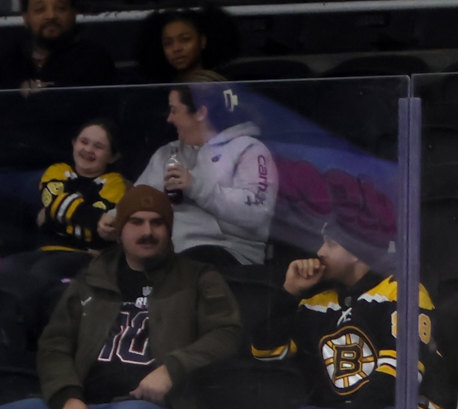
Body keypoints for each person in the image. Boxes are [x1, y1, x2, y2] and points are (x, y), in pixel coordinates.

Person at [0, 185, 243, 409]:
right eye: (136, 222)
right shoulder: (92, 278)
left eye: (157, 223)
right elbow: (55, 344)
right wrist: (66, 397)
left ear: (169, 230)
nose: (147, 232)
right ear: (120, 231)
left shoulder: (199, 277)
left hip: (145, 407)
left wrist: (173, 369)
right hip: (80, 404)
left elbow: (227, 333)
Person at [249, 215, 451, 409]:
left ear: (357, 251)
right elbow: (265, 352)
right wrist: (289, 292)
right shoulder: (318, 301)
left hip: (409, 408)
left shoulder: (402, 291)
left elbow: (398, 373)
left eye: (330, 244)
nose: (320, 252)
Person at [0, 116, 125, 330]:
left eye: (98, 146)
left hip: (85, 255)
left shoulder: (116, 184)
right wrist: (90, 218)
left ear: (112, 156)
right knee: (7, 268)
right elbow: (55, 201)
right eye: (83, 142)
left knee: (41, 275)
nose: (88, 150)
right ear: (74, 143)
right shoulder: (57, 170)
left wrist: (55, 215)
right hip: (45, 248)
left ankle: (33, 345)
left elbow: (95, 233)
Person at [136, 81, 274, 267]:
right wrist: (113, 219)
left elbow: (258, 210)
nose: (169, 118)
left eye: (174, 110)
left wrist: (196, 187)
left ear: (201, 112)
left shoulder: (248, 149)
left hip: (227, 252)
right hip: (166, 250)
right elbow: (137, 199)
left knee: (181, 269)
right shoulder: (166, 153)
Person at [0, 0, 114, 93]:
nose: (51, 16)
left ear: (73, 14)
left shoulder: (94, 59)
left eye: (60, 8)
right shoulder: (9, 62)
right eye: (40, 10)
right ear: (26, 18)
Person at [136, 6, 237, 83]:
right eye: (168, 43)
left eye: (185, 39)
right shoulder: (157, 94)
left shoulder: (223, 88)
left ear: (202, 41)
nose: (176, 48)